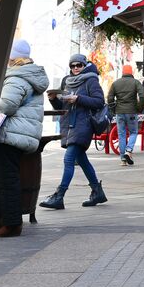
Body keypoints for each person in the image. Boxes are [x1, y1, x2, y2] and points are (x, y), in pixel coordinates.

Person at [0, 39, 48, 238]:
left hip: (12, 134)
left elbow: (6, 105)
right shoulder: (24, 76)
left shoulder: (17, 78)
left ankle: (12, 223)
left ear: (12, 57)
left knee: (6, 178)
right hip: (12, 133)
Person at [39, 53, 108, 210]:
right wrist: (53, 99)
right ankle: (97, 191)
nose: (76, 68)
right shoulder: (66, 81)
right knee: (82, 160)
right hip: (69, 125)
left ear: (84, 65)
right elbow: (61, 108)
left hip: (84, 124)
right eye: (73, 66)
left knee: (69, 159)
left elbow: (99, 102)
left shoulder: (91, 80)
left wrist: (78, 99)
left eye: (79, 65)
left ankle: (59, 196)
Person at [108, 64, 144, 165]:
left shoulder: (116, 83)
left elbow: (110, 98)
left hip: (119, 112)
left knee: (121, 134)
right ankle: (128, 150)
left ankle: (123, 159)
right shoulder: (135, 82)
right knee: (133, 132)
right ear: (132, 72)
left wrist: (114, 109)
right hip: (132, 112)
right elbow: (142, 96)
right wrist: (139, 108)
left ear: (123, 72)